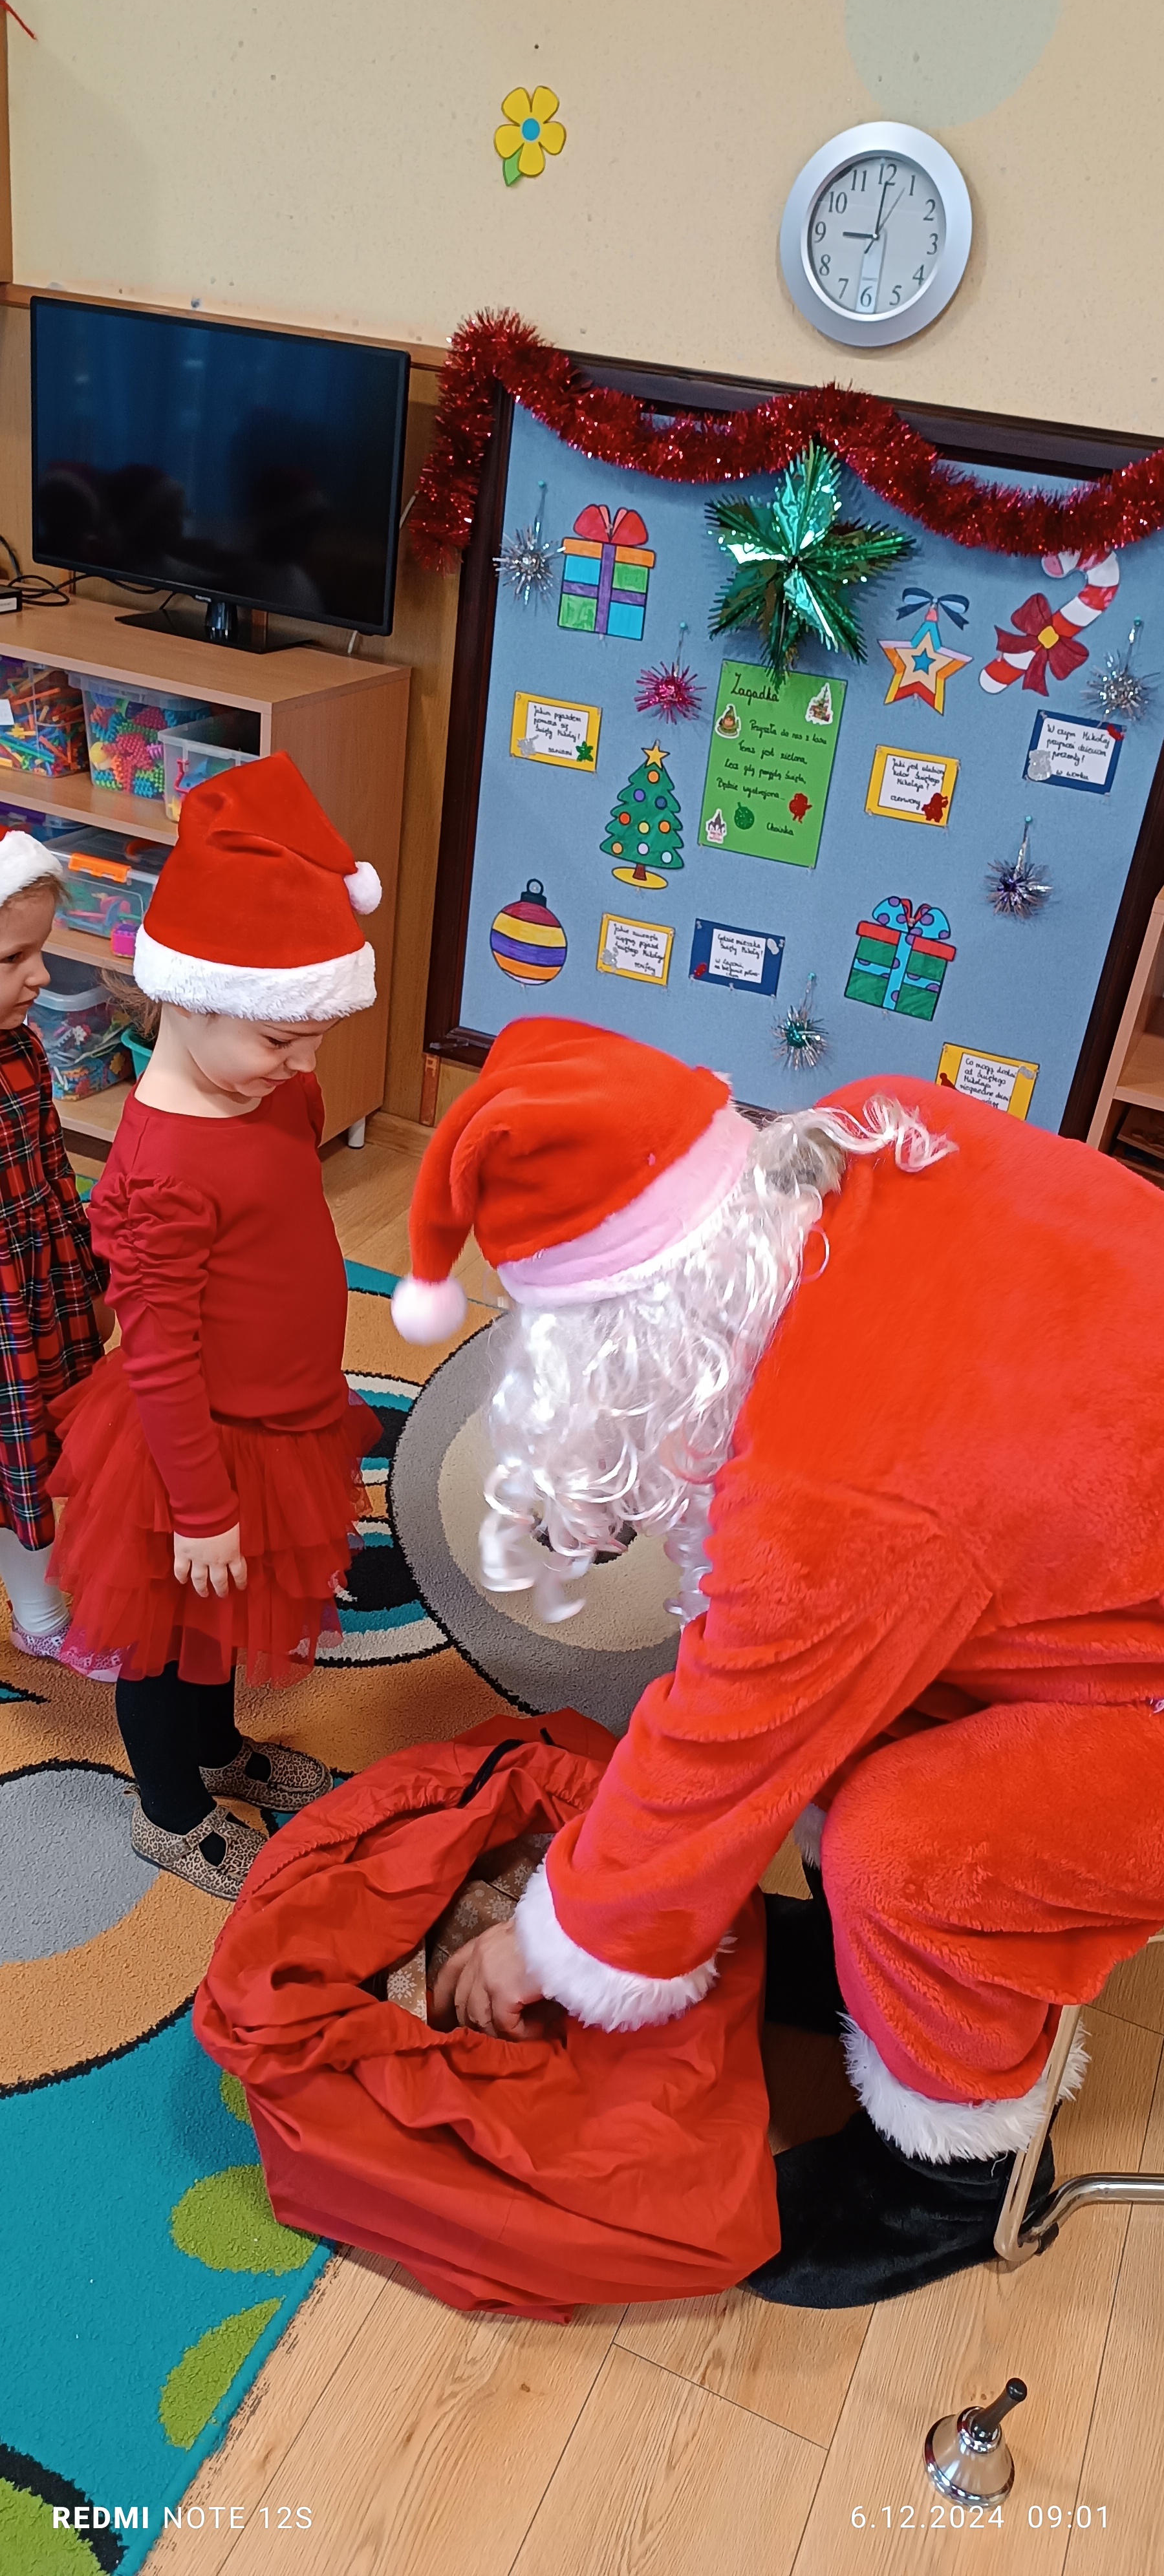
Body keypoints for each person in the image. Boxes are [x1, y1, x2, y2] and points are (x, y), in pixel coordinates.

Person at [393, 1016, 1164, 2307]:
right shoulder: (876, 1128)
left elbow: (728, 1742)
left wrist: (547, 1944)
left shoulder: (834, 1499)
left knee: (906, 1848)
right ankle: (890, 1976)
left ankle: (958, 2173)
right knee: (863, 1708)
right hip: (1105, 1558)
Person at [50, 752, 382, 1900]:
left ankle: (216, 1748)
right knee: (161, 1633)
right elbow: (158, 1354)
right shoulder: (157, 1172)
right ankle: (171, 1812)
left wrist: (280, 1067)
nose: (305, 1063)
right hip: (190, 1449)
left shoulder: (273, 1088)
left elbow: (282, 1206)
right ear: (186, 1001)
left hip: (281, 1416)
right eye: (281, 1038)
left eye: (314, 1034)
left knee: (224, 1619)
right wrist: (199, 1505)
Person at [0, 829, 114, 1667]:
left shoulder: (25, 1050)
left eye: (38, 952)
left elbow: (55, 1177)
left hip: (35, 1296)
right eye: (13, 960)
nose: (40, 977)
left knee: (29, 1465)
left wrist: (90, 1277)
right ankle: (40, 1618)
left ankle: (39, 1613)